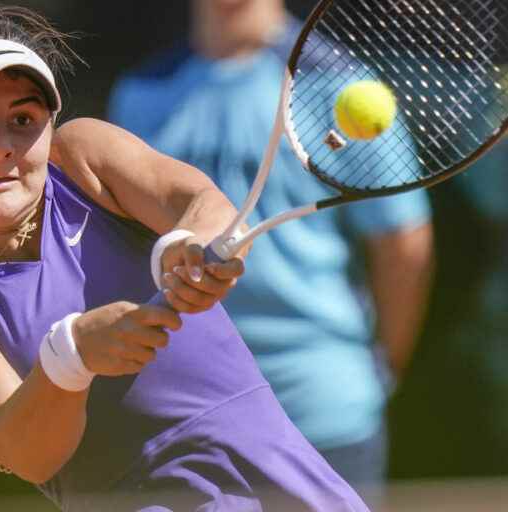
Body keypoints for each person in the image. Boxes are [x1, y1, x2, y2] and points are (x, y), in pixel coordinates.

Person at [0, 3, 370, 511]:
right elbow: (25, 454)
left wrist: (192, 244)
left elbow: (199, 204)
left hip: (290, 486)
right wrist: (70, 356)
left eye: (23, 119)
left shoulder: (83, 154)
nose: (0, 145)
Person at [108, 0, 435, 504]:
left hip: (321, 412)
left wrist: (381, 367)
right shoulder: (139, 93)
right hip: (187, 416)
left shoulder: (340, 84)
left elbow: (404, 246)